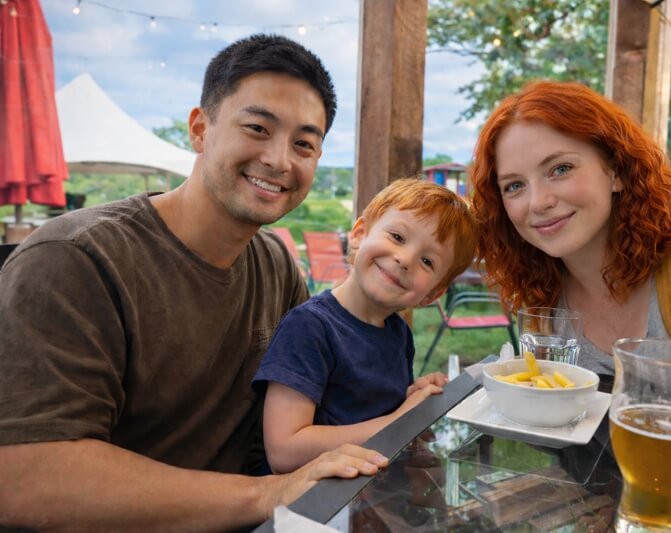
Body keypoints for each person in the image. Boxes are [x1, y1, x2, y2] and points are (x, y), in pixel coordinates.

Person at [0, 34, 388, 531]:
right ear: (200, 129)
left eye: (304, 144)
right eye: (256, 127)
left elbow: (310, 415)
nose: (279, 159)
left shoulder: (276, 268)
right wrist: (269, 494)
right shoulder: (76, 259)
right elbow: (27, 479)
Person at [470, 80, 671, 398]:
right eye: (514, 186)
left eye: (560, 169)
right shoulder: (542, 301)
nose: (538, 202)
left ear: (615, 170)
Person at [253, 178, 478, 473]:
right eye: (397, 237)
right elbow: (284, 451)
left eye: (427, 261)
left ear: (433, 294)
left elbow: (374, 412)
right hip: (312, 504)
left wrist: (412, 401)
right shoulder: (309, 328)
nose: (404, 259)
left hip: (367, 496)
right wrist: (399, 421)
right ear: (359, 234)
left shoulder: (399, 335)